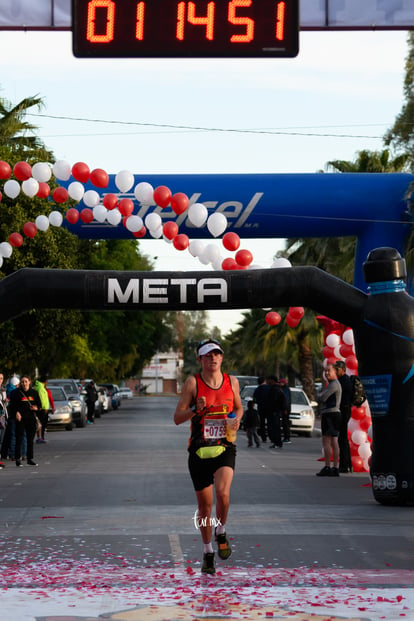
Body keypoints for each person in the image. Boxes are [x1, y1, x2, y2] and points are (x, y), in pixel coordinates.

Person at [174, 338, 243, 575]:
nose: (213, 358)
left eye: (217, 354)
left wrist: (236, 419)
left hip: (225, 446)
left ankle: (220, 531)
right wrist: (195, 409)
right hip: (199, 449)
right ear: (200, 360)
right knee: (205, 507)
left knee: (223, 493)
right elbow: (177, 417)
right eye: (208, 355)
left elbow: (239, 407)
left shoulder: (231, 381)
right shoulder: (193, 383)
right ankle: (207, 551)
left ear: (222, 358)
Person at [8, 375, 42, 467]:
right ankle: (18, 459)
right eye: (22, 382)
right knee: (19, 438)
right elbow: (11, 406)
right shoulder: (16, 393)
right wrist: (16, 413)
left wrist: (36, 408)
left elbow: (39, 405)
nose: (24, 384)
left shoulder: (34, 393)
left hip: (31, 418)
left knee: (30, 439)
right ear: (20, 383)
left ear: (29, 382)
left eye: (26, 381)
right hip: (20, 418)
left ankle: (29, 458)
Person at [316, 363, 342, 477]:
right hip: (333, 414)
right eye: (325, 371)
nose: (326, 373)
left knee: (328, 441)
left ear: (335, 372)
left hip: (331, 414)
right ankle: (335, 467)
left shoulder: (334, 384)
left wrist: (320, 394)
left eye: (329, 371)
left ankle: (328, 466)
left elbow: (322, 397)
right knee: (333, 441)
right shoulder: (332, 384)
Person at [334, 360, 354, 473]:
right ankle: (347, 464)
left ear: (343, 369)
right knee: (342, 438)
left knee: (342, 439)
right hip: (343, 409)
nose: (336, 371)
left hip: (344, 410)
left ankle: (344, 465)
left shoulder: (344, 381)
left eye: (338, 369)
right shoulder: (341, 380)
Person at [266, 375, 287, 449]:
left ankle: (277, 442)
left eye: (269, 380)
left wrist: (277, 409)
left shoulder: (275, 389)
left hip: (275, 412)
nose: (268, 382)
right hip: (274, 412)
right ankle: (276, 442)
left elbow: (274, 401)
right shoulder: (276, 388)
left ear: (272, 380)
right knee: (274, 427)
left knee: (275, 428)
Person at [253, 376, 270, 442]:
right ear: (264, 381)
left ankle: (264, 437)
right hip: (269, 408)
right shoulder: (269, 388)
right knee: (270, 423)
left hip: (261, 408)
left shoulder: (258, 389)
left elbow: (255, 399)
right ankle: (271, 436)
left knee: (262, 423)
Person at [34, 375, 50, 443]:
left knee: (41, 424)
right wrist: (44, 407)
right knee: (41, 424)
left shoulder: (41, 387)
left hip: (43, 408)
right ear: (45, 382)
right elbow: (41, 399)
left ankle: (41, 437)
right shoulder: (40, 388)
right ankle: (40, 437)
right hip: (42, 409)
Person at [278, 378, 292, 444]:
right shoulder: (282, 389)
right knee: (284, 424)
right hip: (283, 409)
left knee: (285, 424)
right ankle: (286, 437)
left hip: (285, 409)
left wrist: (285, 409)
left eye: (281, 383)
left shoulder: (285, 389)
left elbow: (286, 400)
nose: (280, 384)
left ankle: (287, 437)